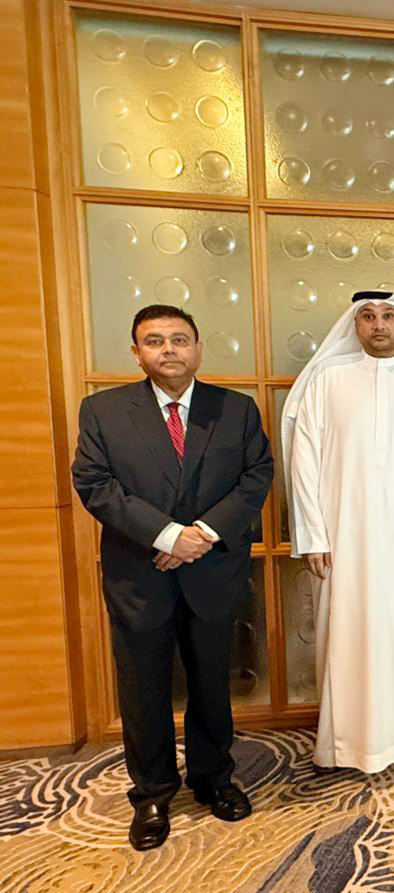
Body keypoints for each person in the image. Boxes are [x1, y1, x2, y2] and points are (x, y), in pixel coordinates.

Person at [72, 304, 273, 851]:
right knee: (143, 688)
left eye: (179, 339)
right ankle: (153, 794)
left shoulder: (236, 409)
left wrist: (199, 535)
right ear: (136, 353)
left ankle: (214, 779)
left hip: (213, 570)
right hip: (140, 574)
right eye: (155, 340)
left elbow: (257, 476)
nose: (169, 350)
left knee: (212, 682)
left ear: (198, 348)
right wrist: (166, 536)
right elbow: (94, 483)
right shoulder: (103, 410)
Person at [282, 291, 394, 774]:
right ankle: (344, 745)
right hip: (345, 537)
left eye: (388, 316)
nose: (378, 324)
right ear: (355, 325)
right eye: (367, 316)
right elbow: (304, 460)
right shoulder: (328, 379)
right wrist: (313, 535)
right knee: (349, 634)